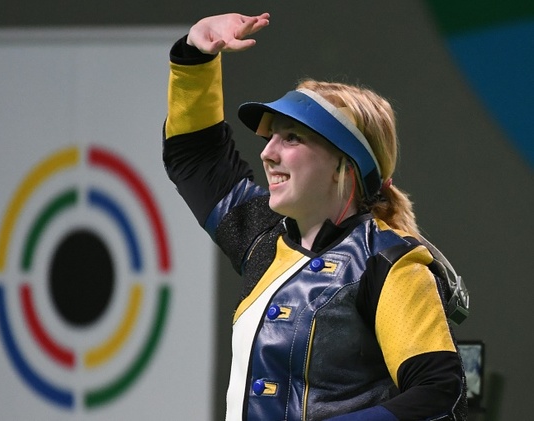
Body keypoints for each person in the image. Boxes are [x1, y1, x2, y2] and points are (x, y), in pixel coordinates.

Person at [163, 12, 468, 420]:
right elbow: (195, 157)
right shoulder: (262, 237)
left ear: (345, 164)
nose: (268, 153)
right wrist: (196, 58)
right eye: (270, 137)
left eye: (292, 137)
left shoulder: (389, 264)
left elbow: (439, 397)